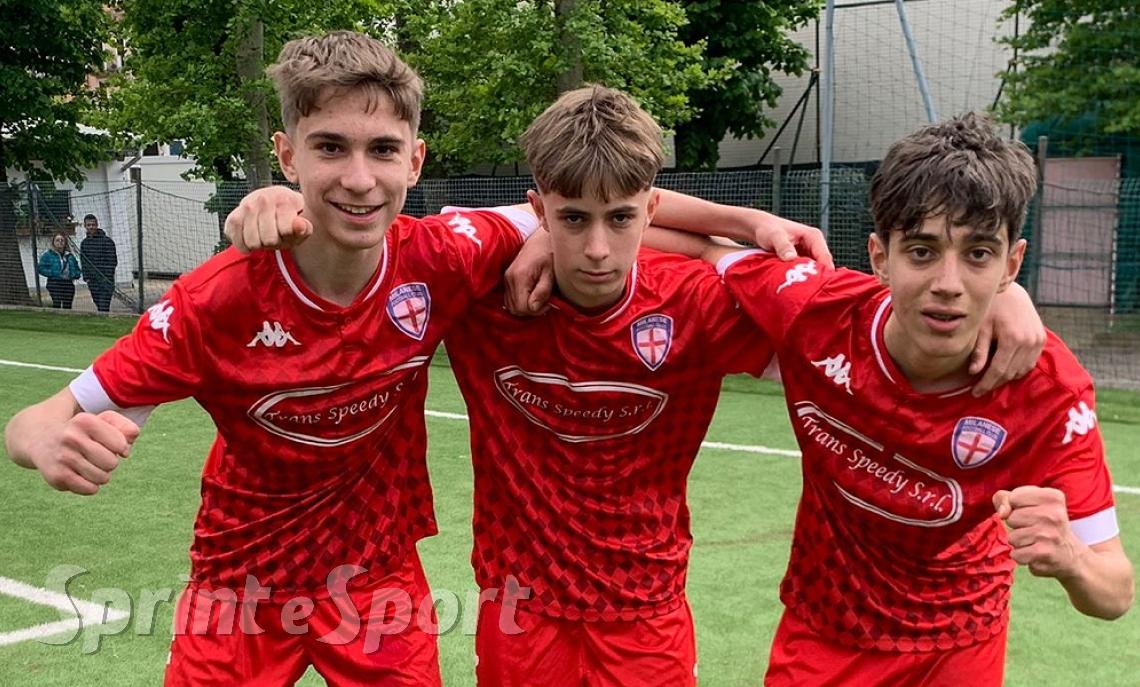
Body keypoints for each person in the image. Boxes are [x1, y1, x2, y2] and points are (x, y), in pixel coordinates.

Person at [6, 32, 820, 687]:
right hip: (239, 586)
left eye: (382, 151)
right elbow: (43, 416)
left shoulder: (448, 256)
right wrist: (41, 436)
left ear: (415, 161)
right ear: (286, 155)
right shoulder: (219, 298)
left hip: (377, 580)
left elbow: (599, 208)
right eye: (330, 148)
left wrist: (742, 229)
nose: (358, 178)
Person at [228, 90, 1047, 686]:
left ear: (647, 209)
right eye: (570, 220)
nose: (592, 248)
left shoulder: (700, 303)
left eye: (620, 220)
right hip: (522, 612)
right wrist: (275, 201)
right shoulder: (481, 288)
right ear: (537, 210)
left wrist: (999, 295)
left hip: (647, 613)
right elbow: (364, 249)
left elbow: (870, 324)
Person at [696, 113, 1134, 686]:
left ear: (1012, 263)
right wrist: (538, 231)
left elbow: (1116, 591)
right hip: (825, 630)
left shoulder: (1049, 389)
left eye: (979, 254)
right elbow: (654, 224)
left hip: (959, 644)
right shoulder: (815, 311)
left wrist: (1071, 559)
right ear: (880, 256)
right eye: (922, 252)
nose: (948, 283)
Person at [79, 214, 117, 312]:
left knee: (103, 306)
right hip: (92, 281)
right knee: (98, 303)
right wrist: (86, 277)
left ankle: (105, 323)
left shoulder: (107, 241)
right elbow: (83, 261)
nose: (91, 227)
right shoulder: (84, 243)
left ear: (97, 225)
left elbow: (112, 261)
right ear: (85, 226)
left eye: (93, 224)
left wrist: (107, 276)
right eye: (88, 225)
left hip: (105, 280)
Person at [38, 232, 81, 309]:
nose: (60, 242)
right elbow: (41, 268)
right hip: (55, 282)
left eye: (62, 240)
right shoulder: (48, 255)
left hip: (68, 283)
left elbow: (77, 268)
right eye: (57, 240)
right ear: (53, 242)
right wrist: (52, 273)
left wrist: (75, 274)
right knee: (57, 302)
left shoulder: (70, 256)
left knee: (67, 305)